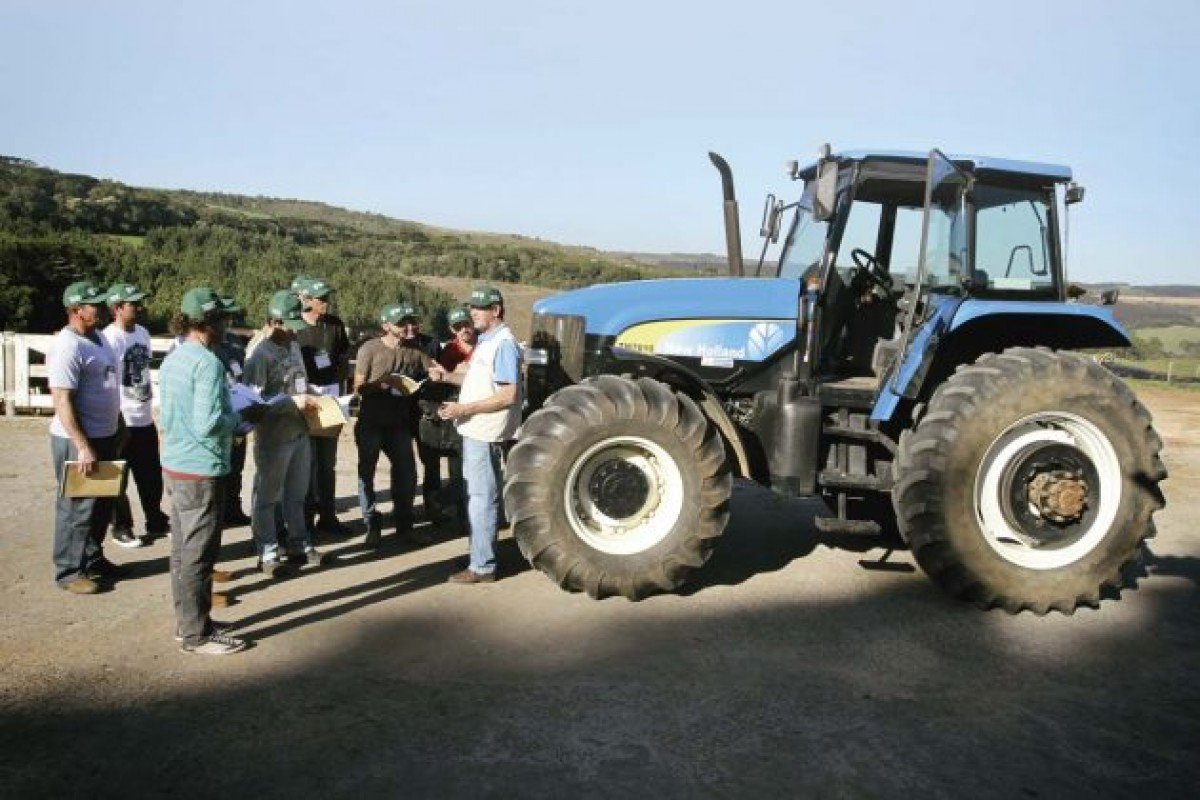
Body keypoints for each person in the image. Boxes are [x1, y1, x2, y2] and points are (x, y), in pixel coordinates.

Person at [158, 287, 255, 655]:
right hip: (202, 466)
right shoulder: (208, 362)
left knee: (182, 551)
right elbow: (209, 421)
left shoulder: (175, 357)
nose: (229, 325)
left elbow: (169, 414)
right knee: (199, 552)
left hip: (177, 463)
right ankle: (197, 634)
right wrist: (240, 418)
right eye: (224, 318)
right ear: (210, 322)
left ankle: (190, 622)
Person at [428, 286, 522, 584]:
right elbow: (475, 377)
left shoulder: (504, 344)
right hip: (476, 428)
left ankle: (483, 566)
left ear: (496, 310)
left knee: (482, 497)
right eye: (472, 308)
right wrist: (446, 376)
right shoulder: (487, 341)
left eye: (480, 308)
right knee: (477, 495)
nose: (473, 312)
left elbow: (509, 395)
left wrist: (463, 408)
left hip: (485, 431)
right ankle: (479, 555)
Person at [47, 281, 123, 595]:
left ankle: (92, 559)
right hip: (79, 440)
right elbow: (62, 399)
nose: (100, 309)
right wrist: (82, 445)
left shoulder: (99, 338)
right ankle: (69, 570)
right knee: (76, 506)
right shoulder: (68, 345)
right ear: (77, 310)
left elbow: (107, 384)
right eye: (94, 305)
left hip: (105, 434)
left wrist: (118, 424)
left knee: (101, 504)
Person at [243, 290, 324, 575]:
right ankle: (266, 552)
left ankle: (298, 543)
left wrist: (315, 394)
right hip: (274, 436)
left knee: (297, 494)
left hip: (300, 430)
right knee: (267, 497)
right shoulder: (258, 355)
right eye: (289, 326)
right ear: (273, 322)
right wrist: (292, 402)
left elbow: (298, 381)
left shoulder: (293, 346)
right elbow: (252, 405)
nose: (294, 332)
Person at [353, 302, 435, 548]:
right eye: (400, 323)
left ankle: (405, 526)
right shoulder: (369, 349)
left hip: (398, 423)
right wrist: (381, 384)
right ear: (386, 325)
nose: (407, 327)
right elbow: (358, 387)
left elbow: (434, 370)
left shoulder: (415, 350)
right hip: (371, 422)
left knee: (407, 474)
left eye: (409, 321)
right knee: (366, 474)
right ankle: (371, 524)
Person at [102, 282, 171, 547]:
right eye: (133, 303)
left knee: (150, 474)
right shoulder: (109, 338)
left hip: (143, 414)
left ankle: (155, 519)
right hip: (121, 417)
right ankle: (121, 526)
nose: (140, 307)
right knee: (118, 476)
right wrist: (115, 415)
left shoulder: (142, 333)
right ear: (117, 308)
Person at [294, 278, 351, 537]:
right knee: (307, 462)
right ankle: (304, 518)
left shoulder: (335, 325)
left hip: (331, 399)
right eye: (321, 298)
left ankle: (327, 516)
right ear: (306, 300)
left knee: (327, 462)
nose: (326, 303)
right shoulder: (295, 327)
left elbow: (343, 357)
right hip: (305, 400)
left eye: (327, 298)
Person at [395, 307, 443, 523]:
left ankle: (433, 508)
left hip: (425, 409)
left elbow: (441, 372)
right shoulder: (394, 345)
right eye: (405, 323)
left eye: (413, 322)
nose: (410, 328)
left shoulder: (431, 344)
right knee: (403, 463)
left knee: (431, 461)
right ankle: (403, 510)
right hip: (400, 411)